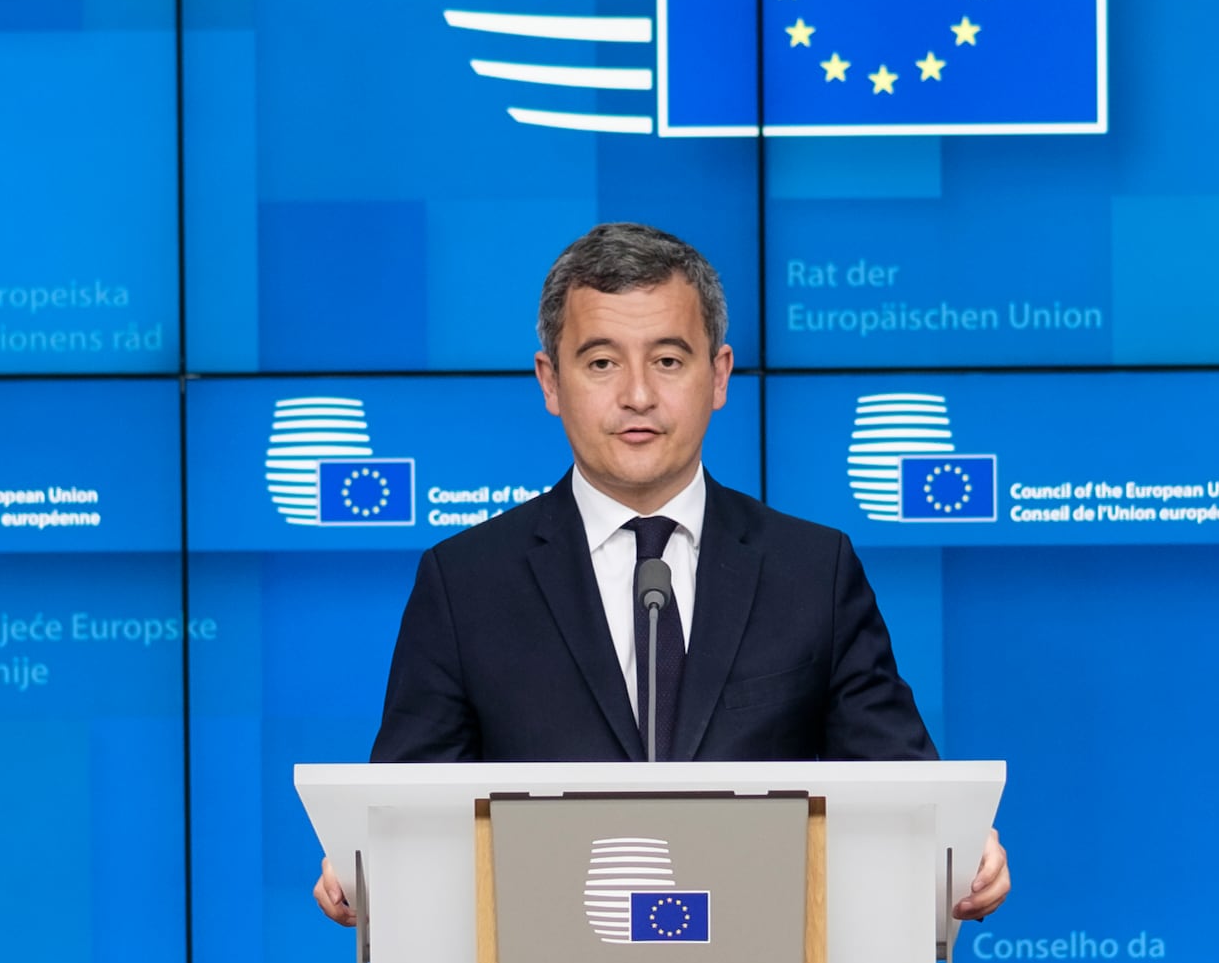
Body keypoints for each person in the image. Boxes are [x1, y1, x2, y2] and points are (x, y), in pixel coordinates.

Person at [314, 221, 1011, 925]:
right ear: (550, 381)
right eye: (601, 363)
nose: (639, 394)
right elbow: (402, 813)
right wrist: (365, 863)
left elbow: (905, 792)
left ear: (720, 374)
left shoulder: (812, 572)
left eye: (670, 360)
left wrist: (961, 849)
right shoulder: (465, 585)